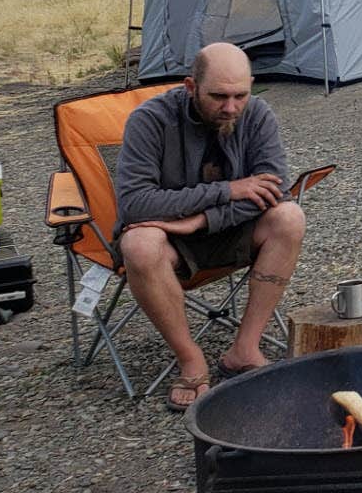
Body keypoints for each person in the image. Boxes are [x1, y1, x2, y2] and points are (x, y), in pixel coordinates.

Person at [114, 42, 304, 411]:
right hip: (170, 243)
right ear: (190, 87)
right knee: (138, 243)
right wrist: (228, 190)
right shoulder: (149, 121)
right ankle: (190, 359)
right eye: (218, 96)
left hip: (226, 232)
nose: (230, 107)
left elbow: (273, 188)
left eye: (240, 95)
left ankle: (245, 349)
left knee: (289, 217)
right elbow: (135, 204)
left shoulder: (259, 115)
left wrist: (201, 219)